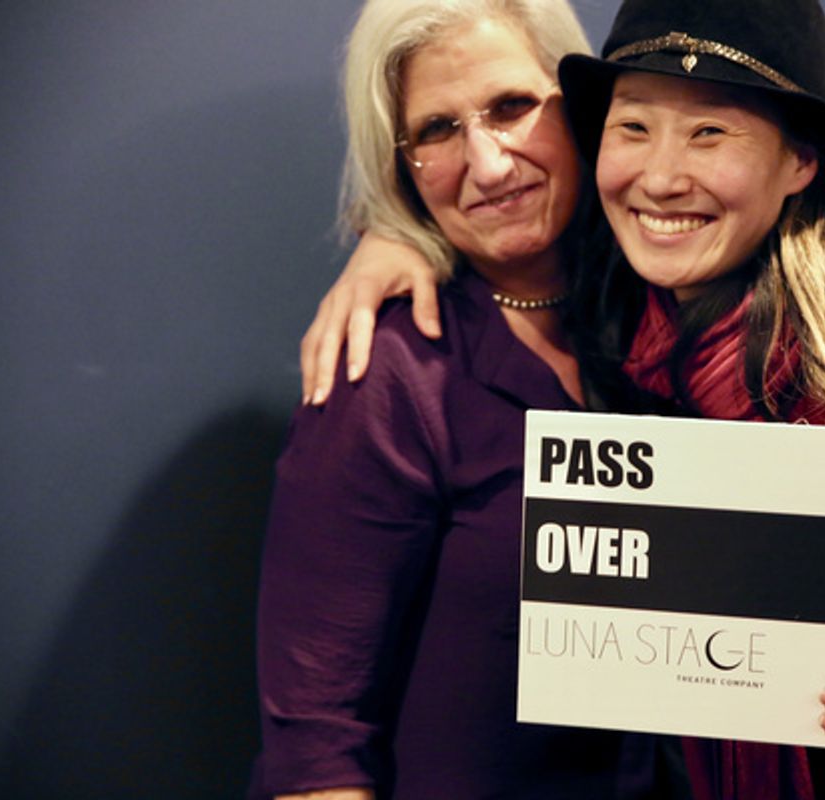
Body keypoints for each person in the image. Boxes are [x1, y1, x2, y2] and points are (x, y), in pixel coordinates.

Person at [295, 1, 825, 798]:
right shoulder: (617, 314)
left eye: (711, 132)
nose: (662, 178)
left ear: (799, 161)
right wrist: (392, 237)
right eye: (633, 127)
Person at [251, 1, 670, 797]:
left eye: (512, 106)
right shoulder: (385, 373)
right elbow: (315, 748)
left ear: (579, 105)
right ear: (400, 164)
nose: (490, 163)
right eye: (437, 130)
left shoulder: (672, 314)